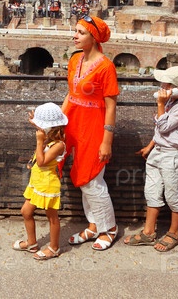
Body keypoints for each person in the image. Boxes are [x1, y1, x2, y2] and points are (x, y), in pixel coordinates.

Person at [63, 15, 119, 251]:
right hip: (73, 124)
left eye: (81, 32)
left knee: (91, 180)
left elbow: (111, 106)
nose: (75, 36)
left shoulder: (106, 67)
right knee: (82, 178)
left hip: (94, 127)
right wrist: (58, 122)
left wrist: (107, 141)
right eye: (75, 31)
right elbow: (71, 94)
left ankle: (109, 228)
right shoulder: (75, 59)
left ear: (94, 38)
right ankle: (94, 225)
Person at [123, 65, 178, 252]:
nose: (162, 86)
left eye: (166, 84)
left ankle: (174, 233)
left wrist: (160, 105)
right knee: (152, 191)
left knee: (173, 195)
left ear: (177, 88)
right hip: (157, 152)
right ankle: (148, 232)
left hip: (172, 155)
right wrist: (149, 146)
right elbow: (159, 131)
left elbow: (164, 127)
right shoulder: (170, 101)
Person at [12, 102, 67, 261]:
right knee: (26, 211)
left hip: (48, 184)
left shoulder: (58, 145)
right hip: (37, 181)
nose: (39, 129)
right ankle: (32, 243)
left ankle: (54, 248)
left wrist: (38, 141)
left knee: (52, 217)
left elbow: (42, 162)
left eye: (41, 126)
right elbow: (41, 130)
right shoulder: (48, 136)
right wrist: (34, 121)